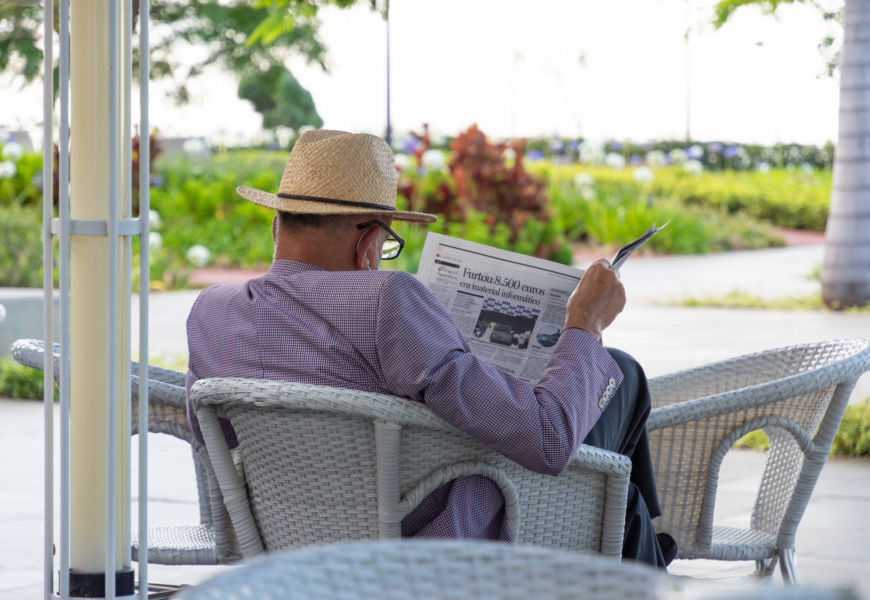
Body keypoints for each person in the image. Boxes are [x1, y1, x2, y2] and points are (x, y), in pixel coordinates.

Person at [185, 129, 675, 567]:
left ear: (277, 227)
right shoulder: (387, 300)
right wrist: (585, 322)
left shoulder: (210, 312)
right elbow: (546, 440)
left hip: (292, 546)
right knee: (620, 376)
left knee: (620, 483)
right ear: (369, 242)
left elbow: (215, 441)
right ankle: (647, 540)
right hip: (430, 541)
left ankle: (645, 535)